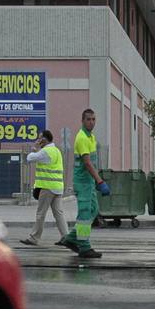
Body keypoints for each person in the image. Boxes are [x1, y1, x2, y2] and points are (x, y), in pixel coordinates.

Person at [56, 108, 111, 258]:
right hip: (83, 183)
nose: (91, 122)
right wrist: (100, 181)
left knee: (93, 211)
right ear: (82, 121)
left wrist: (96, 181)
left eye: (93, 119)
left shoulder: (91, 137)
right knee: (85, 214)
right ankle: (84, 246)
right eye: (88, 119)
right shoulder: (81, 138)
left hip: (89, 183)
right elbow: (87, 163)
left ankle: (70, 238)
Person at [20, 129, 69, 246]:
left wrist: (35, 148)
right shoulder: (56, 150)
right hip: (58, 187)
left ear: (44, 139)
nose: (38, 140)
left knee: (40, 214)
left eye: (39, 138)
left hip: (47, 188)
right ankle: (66, 237)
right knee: (59, 214)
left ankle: (34, 238)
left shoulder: (46, 152)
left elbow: (29, 158)